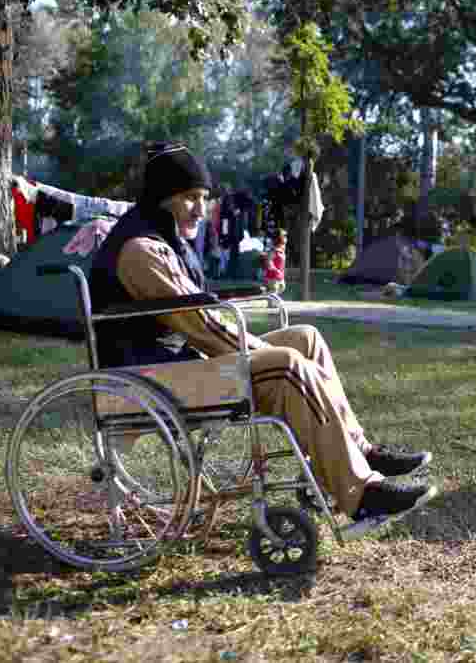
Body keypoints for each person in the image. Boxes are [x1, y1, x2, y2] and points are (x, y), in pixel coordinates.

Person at [87, 142, 436, 522]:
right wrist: (256, 349)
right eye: (190, 198)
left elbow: (198, 313)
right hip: (146, 381)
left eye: (204, 197)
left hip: (170, 365)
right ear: (162, 196)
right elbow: (201, 327)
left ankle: (356, 450)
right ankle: (361, 493)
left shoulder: (160, 239)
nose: (201, 209)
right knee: (287, 363)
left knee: (306, 338)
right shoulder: (141, 250)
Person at [264, 229, 287, 295]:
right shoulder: (273, 250)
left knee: (282, 287)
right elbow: (269, 262)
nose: (286, 238)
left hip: (280, 276)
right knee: (274, 290)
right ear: (279, 237)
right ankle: (271, 302)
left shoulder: (282, 250)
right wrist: (275, 269)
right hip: (272, 277)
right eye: (284, 236)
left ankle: (268, 296)